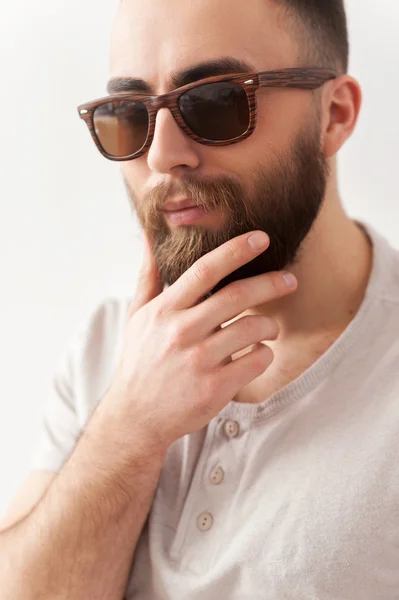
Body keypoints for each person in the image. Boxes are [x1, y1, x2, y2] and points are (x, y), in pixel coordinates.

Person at [1, 0, 398, 598]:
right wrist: (129, 428)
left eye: (216, 101)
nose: (162, 156)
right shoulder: (111, 342)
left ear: (334, 116)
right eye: (129, 114)